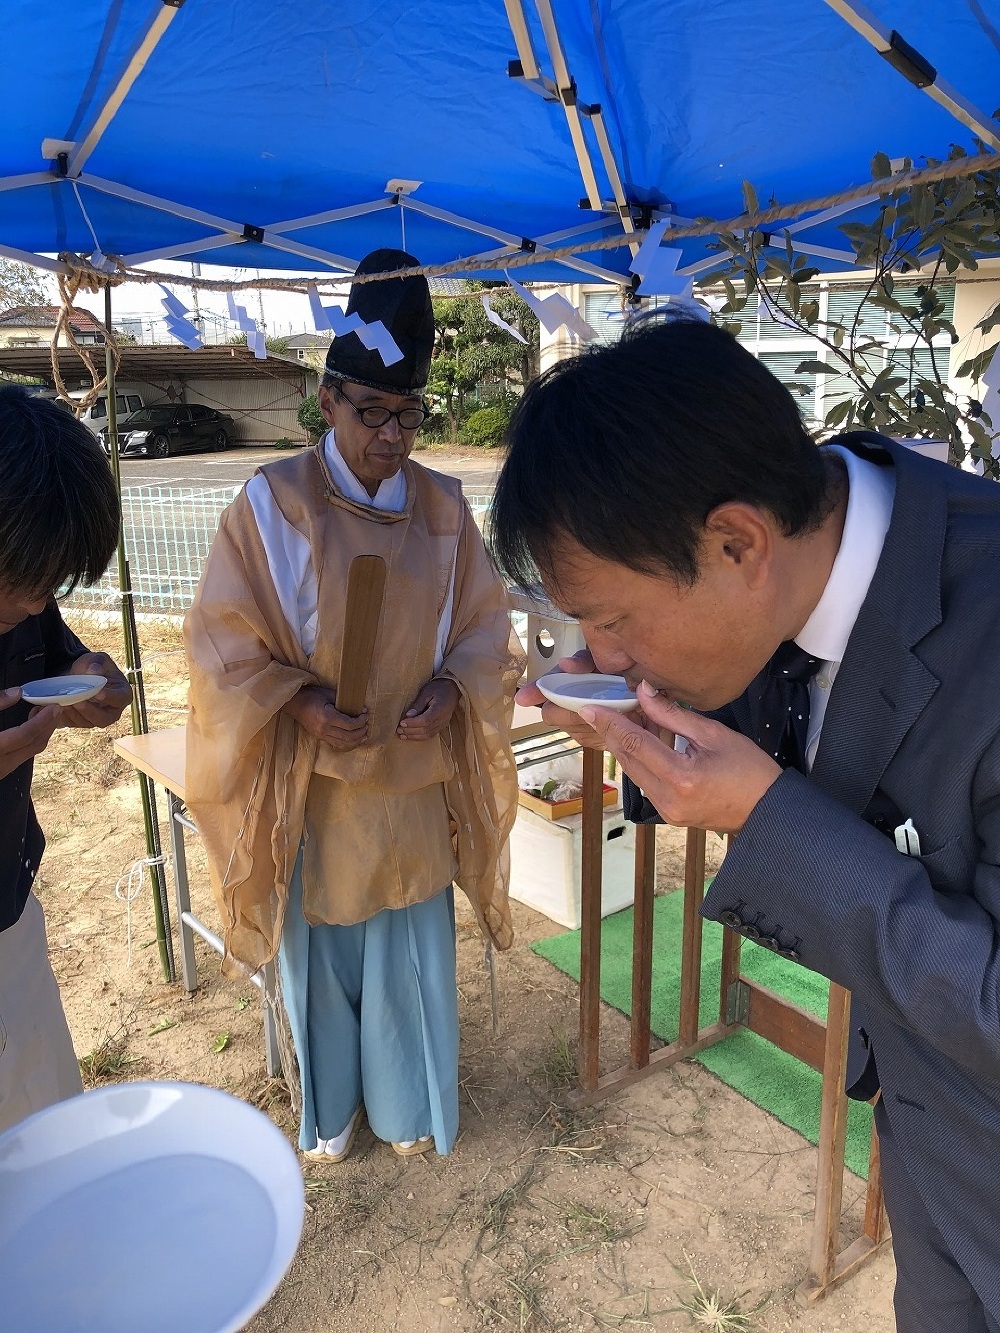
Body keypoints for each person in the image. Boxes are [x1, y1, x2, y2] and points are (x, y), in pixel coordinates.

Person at [489, 313, 1000, 1332]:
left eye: (614, 618)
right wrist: (639, 724)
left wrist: (765, 819)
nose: (603, 652)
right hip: (919, 1131)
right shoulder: (826, 545)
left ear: (736, 541)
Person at [184, 250, 523, 1161]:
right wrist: (297, 704)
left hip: (410, 773)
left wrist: (452, 685)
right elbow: (221, 640)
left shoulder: (446, 508)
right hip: (317, 777)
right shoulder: (273, 505)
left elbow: (488, 630)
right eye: (374, 412)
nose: (395, 435)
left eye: (410, 414)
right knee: (321, 955)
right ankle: (331, 1115)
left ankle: (411, 1111)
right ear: (329, 399)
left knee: (409, 950)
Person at [0, 386, 132, 1136]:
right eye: (21, 579)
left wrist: (92, 675)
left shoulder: (27, 593)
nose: (34, 598)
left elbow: (63, 657)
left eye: (50, 581)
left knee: (48, 1147)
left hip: (11, 920)